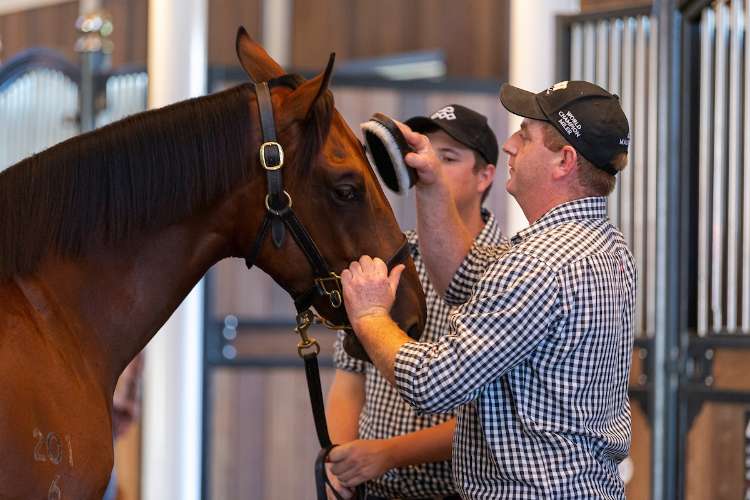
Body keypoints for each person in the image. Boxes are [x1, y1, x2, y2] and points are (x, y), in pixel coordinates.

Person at [339, 80, 635, 499]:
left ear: (564, 161)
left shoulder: (539, 264)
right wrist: (432, 184)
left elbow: (432, 383)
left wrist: (370, 316)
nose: (510, 145)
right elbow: (464, 277)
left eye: (525, 136)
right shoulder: (607, 245)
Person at [326, 104, 504, 500]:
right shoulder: (389, 256)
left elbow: (492, 416)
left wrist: (387, 454)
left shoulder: (508, 273)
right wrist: (339, 463)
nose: (430, 165)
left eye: (448, 158)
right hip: (371, 489)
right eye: (426, 153)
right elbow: (350, 374)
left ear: (485, 176)